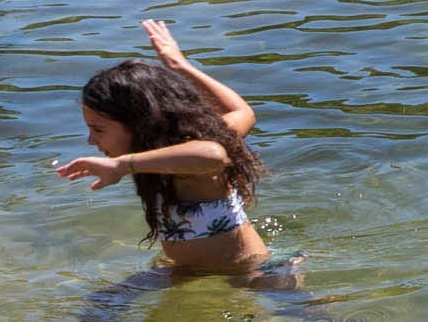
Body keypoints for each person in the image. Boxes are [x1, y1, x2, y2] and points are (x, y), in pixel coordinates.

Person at [55, 18, 291, 280]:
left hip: (252, 275)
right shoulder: (166, 155)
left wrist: (121, 165)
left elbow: (213, 156)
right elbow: (240, 111)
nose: (91, 140)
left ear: (140, 123)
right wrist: (179, 65)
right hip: (191, 271)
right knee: (102, 307)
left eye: (98, 130)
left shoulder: (188, 158)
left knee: (307, 317)